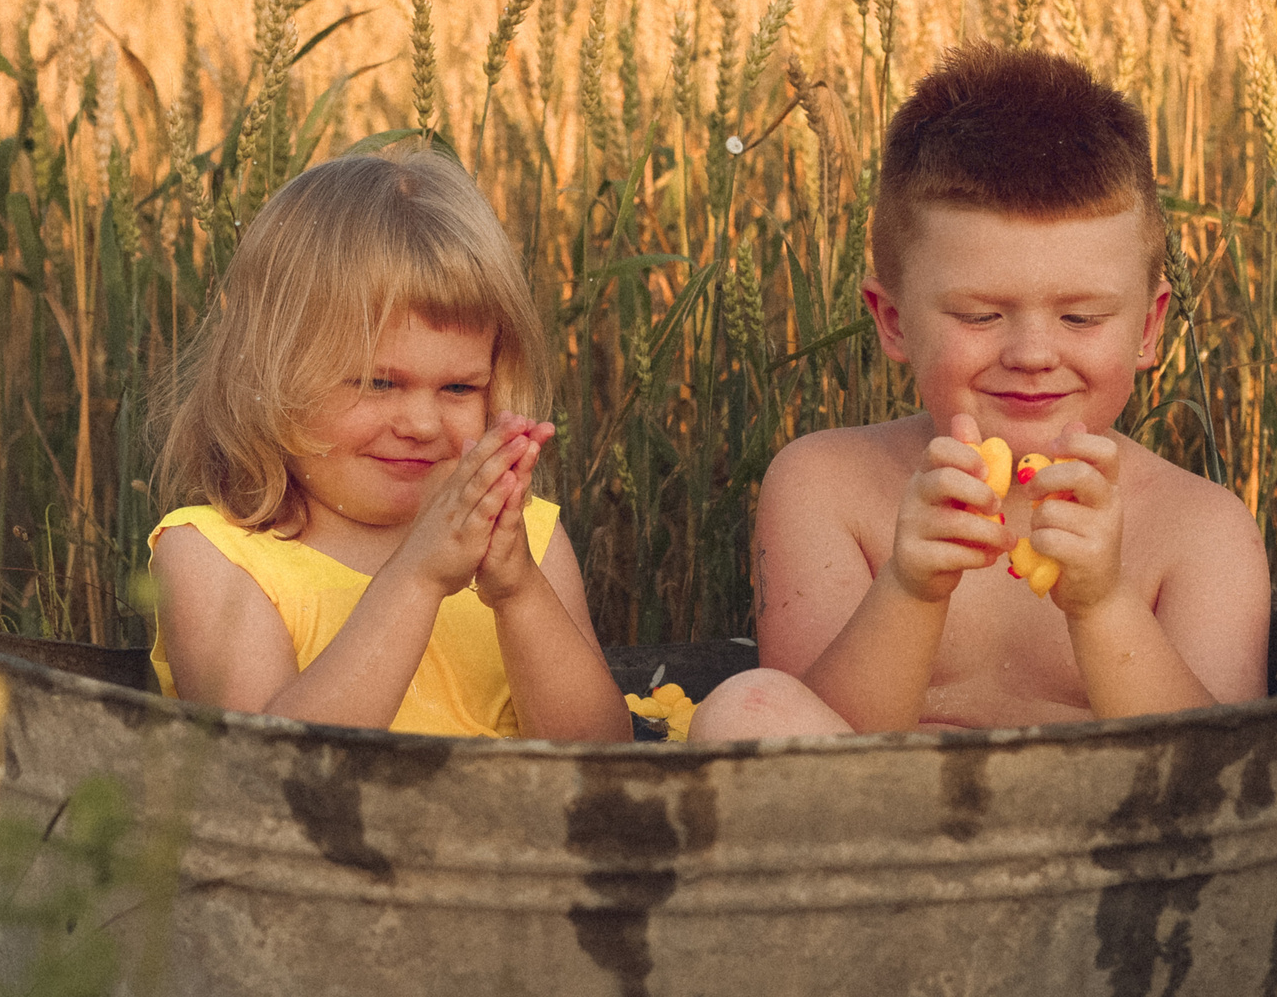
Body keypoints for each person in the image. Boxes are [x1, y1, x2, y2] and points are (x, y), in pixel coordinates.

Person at [149, 148, 824, 741]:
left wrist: (519, 590)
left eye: (459, 388)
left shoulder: (526, 536)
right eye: (379, 382)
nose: (421, 422)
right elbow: (272, 774)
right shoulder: (213, 557)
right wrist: (417, 577)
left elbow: (599, 755)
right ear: (270, 373)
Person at [702, 45, 1269, 739]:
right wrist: (909, 590)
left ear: (1149, 328)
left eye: (1081, 317)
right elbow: (812, 753)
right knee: (745, 709)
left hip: (1119, 836)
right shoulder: (826, 486)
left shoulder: (1200, 528)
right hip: (881, 835)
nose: (1032, 354)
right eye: (979, 315)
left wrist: (1103, 603)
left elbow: (1223, 772)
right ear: (893, 320)